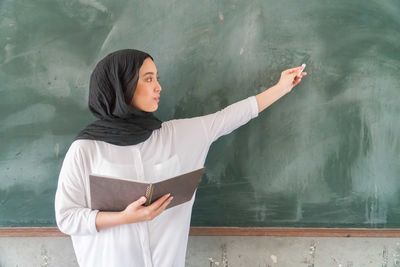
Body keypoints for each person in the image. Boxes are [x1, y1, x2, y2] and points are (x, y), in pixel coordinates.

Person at [54, 49, 307, 267]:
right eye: (148, 79)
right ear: (122, 86)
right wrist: (125, 217)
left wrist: (280, 88)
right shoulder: (86, 150)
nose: (158, 86)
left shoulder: (175, 135)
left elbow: (226, 119)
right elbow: (66, 218)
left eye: (157, 78)